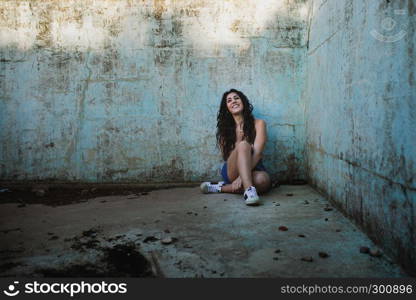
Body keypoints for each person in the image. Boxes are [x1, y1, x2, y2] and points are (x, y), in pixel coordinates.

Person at [200, 89, 271, 205]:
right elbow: (226, 158)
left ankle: (220, 188)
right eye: (229, 100)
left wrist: (242, 177)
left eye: (236, 98)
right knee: (243, 145)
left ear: (243, 101)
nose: (233, 101)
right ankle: (249, 191)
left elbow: (258, 153)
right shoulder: (224, 130)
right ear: (227, 108)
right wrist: (240, 145)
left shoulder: (259, 124)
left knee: (263, 181)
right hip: (231, 170)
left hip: (254, 165)